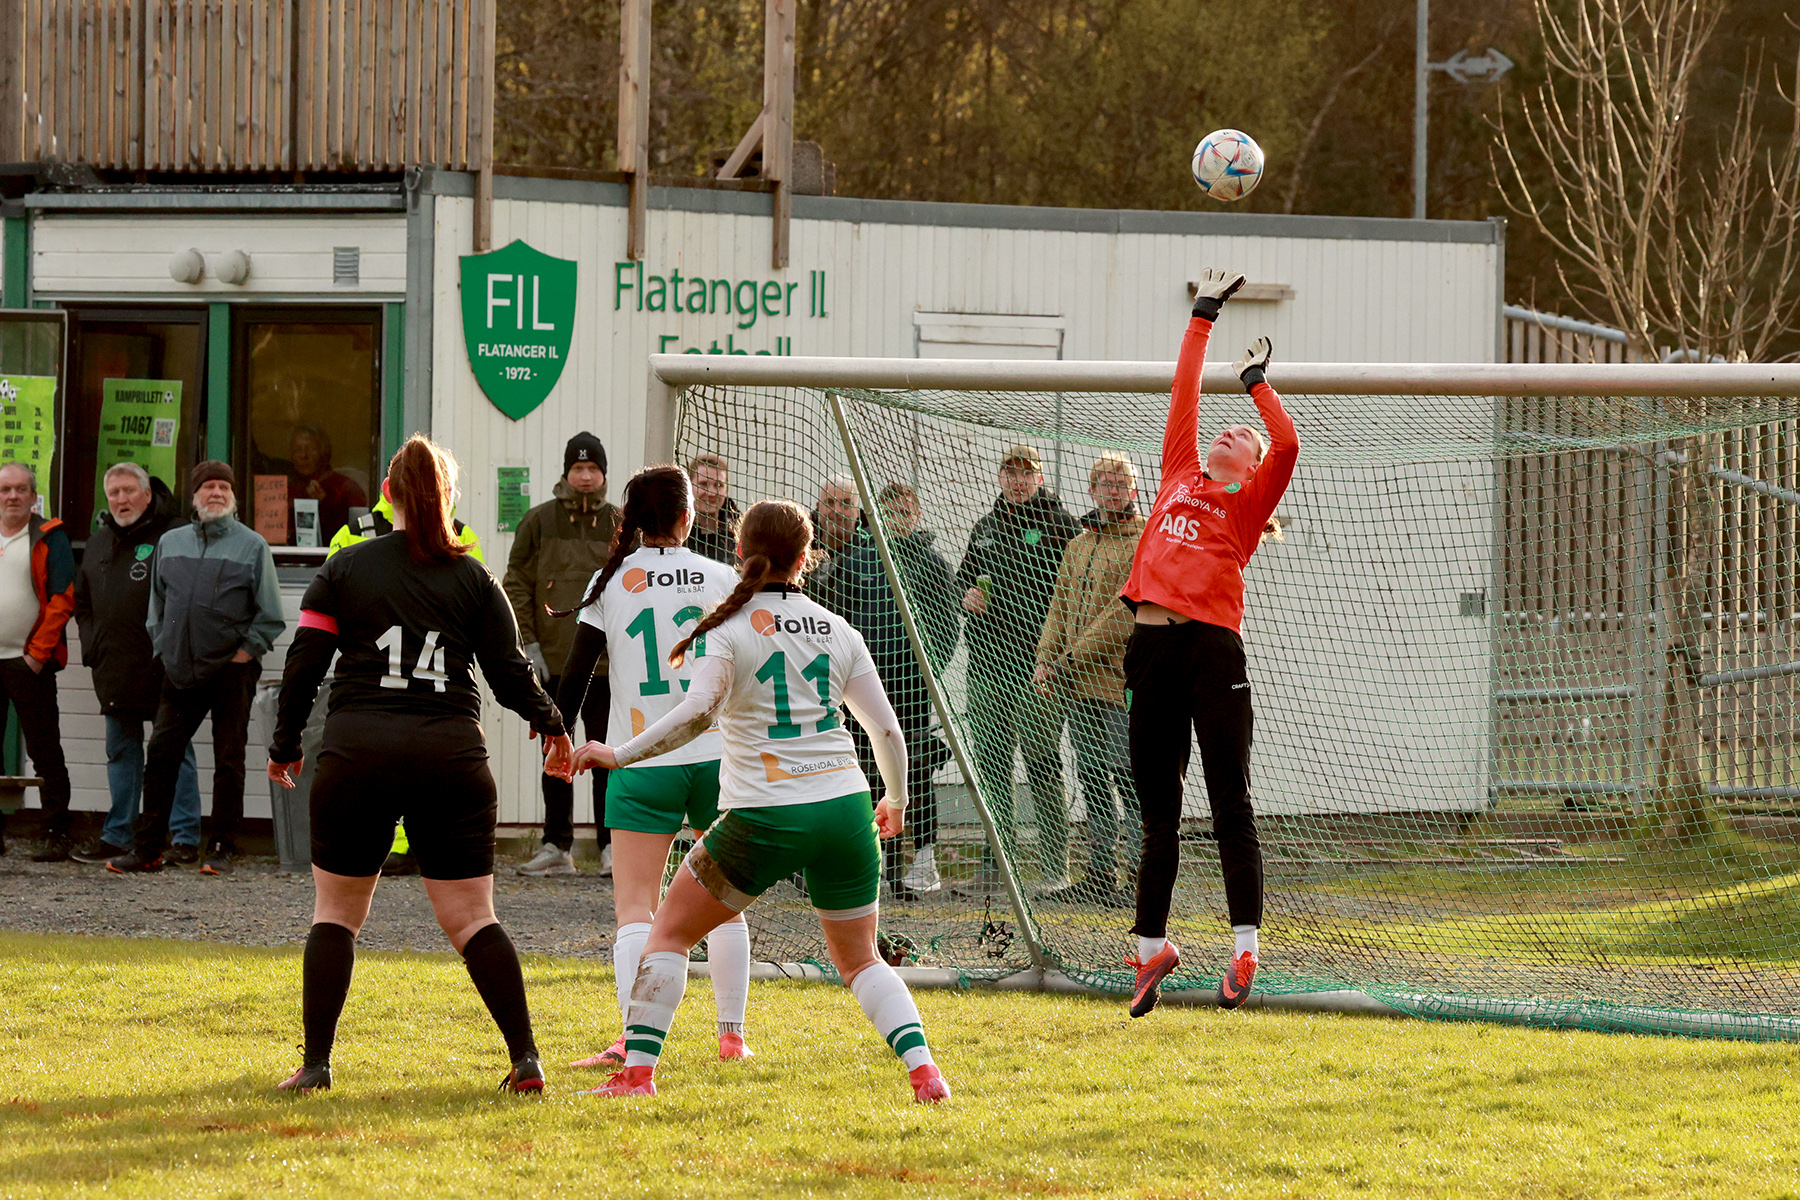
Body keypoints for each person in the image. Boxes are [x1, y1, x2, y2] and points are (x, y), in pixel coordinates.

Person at [567, 500, 950, 1104]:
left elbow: (695, 715)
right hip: (846, 807)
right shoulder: (838, 628)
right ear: (805, 557)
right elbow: (887, 731)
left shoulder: (727, 630)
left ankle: (637, 1077)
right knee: (861, 962)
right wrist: (897, 800)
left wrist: (617, 754)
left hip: (765, 815)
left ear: (741, 551)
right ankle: (925, 1073)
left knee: (666, 935)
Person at [266, 435, 575, 1095]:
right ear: (449, 496)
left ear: (388, 494)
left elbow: (305, 663)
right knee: (472, 917)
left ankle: (316, 1066)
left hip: (358, 755)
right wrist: (552, 723)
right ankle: (525, 1058)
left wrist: (284, 742)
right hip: (450, 757)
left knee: (335, 914)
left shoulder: (345, 567)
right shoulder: (474, 578)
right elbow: (509, 673)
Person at [1119, 268, 1297, 1018]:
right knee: (1158, 812)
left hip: (1213, 653)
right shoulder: (1177, 474)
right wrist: (1202, 317)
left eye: (1241, 437)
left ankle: (1245, 947)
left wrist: (1257, 385)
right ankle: (1150, 950)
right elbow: (1184, 394)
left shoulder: (1246, 501)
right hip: (1150, 652)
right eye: (1227, 428)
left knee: (1230, 801)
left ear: (1250, 468)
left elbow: (1287, 441)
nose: (1230, 432)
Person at [550, 464, 755, 1069]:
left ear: (631, 520)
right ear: (689, 517)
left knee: (635, 909)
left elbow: (576, 673)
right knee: (725, 902)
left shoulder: (609, 581)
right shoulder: (722, 576)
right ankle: (731, 1035)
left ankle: (632, 1040)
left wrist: (557, 738)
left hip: (639, 760)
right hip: (716, 758)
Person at [107, 461, 286, 876]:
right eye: (208, 487)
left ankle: (222, 847)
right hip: (178, 670)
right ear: (194, 496)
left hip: (231, 670)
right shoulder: (171, 543)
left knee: (229, 760)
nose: (216, 493)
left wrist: (246, 652)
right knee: (161, 756)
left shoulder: (252, 546)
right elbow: (156, 606)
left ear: (234, 496)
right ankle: (148, 850)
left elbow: (270, 615)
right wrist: (163, 647)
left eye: (224, 487)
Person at [326, 482, 486, 875]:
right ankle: (396, 847)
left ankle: (409, 846)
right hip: (417, 688)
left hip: (404, 688)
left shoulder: (461, 533)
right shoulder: (355, 532)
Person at [953, 445, 1079, 890]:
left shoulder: (1062, 526)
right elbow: (962, 579)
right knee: (991, 768)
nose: (1018, 481)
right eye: (1011, 473)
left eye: (1027, 474)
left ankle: (1055, 870)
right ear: (1000, 478)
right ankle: (997, 868)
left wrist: (1059, 656)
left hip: (1038, 671)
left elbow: (1076, 596)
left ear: (1040, 479)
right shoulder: (985, 527)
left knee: (1043, 766)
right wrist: (966, 594)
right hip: (986, 668)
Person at [71, 463, 204, 865]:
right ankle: (118, 835)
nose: (121, 499)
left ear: (147, 495)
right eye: (114, 493)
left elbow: (188, 597)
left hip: (164, 666)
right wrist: (92, 647)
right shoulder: (98, 542)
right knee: (121, 752)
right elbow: (82, 604)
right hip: (113, 666)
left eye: (129, 491)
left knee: (174, 752)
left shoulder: (174, 535)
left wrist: (176, 650)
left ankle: (183, 838)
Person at [833, 482, 961, 895]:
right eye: (889, 513)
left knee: (913, 769)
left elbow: (947, 624)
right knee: (863, 768)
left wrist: (925, 672)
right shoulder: (855, 561)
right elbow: (838, 620)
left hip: (911, 688)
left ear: (917, 516)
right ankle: (870, 855)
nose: (897, 521)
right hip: (862, 687)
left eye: (905, 513)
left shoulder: (932, 563)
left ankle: (922, 861)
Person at [1030, 455, 1145, 907]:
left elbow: (1124, 613)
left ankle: (1139, 875)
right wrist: (1045, 658)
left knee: (1129, 778)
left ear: (1133, 492)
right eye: (1103, 484)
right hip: (1077, 686)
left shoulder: (1144, 541)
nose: (1111, 491)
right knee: (1093, 776)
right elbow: (1058, 606)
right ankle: (1099, 873)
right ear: (1092, 490)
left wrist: (1068, 659)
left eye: (1120, 484)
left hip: (1121, 684)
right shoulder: (1078, 544)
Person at [504, 432, 619, 877]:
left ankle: (611, 848)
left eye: (593, 469)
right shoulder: (538, 521)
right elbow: (516, 584)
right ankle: (556, 846)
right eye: (578, 468)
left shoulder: (621, 522)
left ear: (603, 474)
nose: (585, 477)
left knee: (607, 757)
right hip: (552, 662)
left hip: (606, 665)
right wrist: (528, 645)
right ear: (566, 472)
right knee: (556, 752)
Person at [0, 462, 76, 862]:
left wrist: (36, 656)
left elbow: (62, 600)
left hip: (29, 662)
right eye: (5, 489)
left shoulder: (50, 537)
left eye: (20, 489)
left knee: (45, 750)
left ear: (33, 496)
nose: (12, 496)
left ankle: (55, 831)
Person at [287, 425, 368, 545]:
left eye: (311, 449)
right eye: (297, 450)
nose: (303, 456)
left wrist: (325, 503)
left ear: (324, 453)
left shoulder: (344, 487)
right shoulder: (288, 488)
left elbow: (353, 532)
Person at [686, 453, 741, 565]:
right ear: (689, 487)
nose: (711, 493)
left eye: (718, 485)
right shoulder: (674, 535)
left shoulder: (740, 535)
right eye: (704, 484)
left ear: (726, 490)